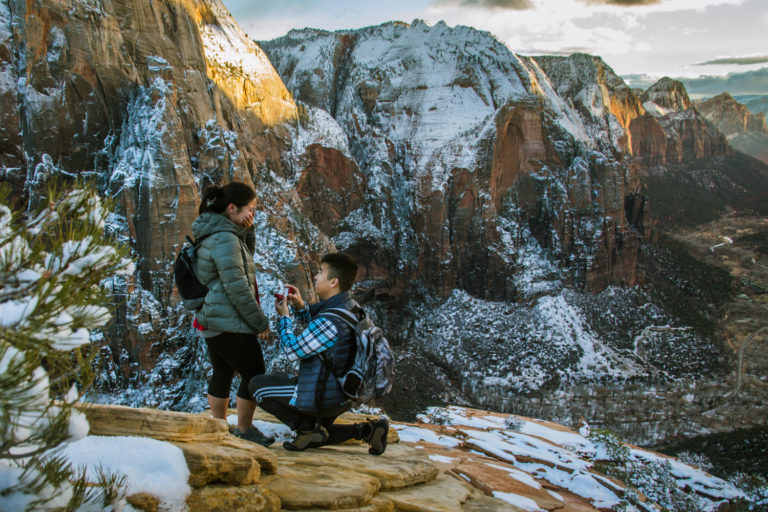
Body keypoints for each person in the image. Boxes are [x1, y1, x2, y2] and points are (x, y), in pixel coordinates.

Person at [248, 253, 389, 454]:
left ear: (333, 282)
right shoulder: (351, 307)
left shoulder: (329, 321)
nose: (315, 276)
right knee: (284, 384)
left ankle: (306, 429)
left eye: (321, 272)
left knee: (258, 386)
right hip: (342, 394)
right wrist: (301, 307)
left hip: (324, 397)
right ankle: (367, 431)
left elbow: (292, 351)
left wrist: (284, 318)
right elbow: (323, 334)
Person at [192, 182, 273, 446]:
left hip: (213, 318)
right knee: (254, 372)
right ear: (231, 207)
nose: (252, 215)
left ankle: (218, 428)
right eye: (250, 210)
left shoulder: (221, 232)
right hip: (228, 320)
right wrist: (259, 322)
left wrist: (247, 232)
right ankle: (244, 429)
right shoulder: (225, 238)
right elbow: (237, 286)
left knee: (223, 371)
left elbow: (243, 258)